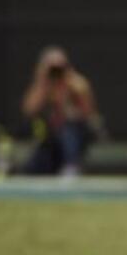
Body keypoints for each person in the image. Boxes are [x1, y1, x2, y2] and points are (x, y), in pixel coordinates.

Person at [21, 46, 101, 177]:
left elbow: (88, 113)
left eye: (59, 68)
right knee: (34, 168)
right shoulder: (43, 85)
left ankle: (71, 167)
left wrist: (68, 89)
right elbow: (29, 109)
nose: (56, 72)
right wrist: (43, 82)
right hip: (50, 138)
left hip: (76, 136)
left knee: (68, 129)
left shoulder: (76, 84)